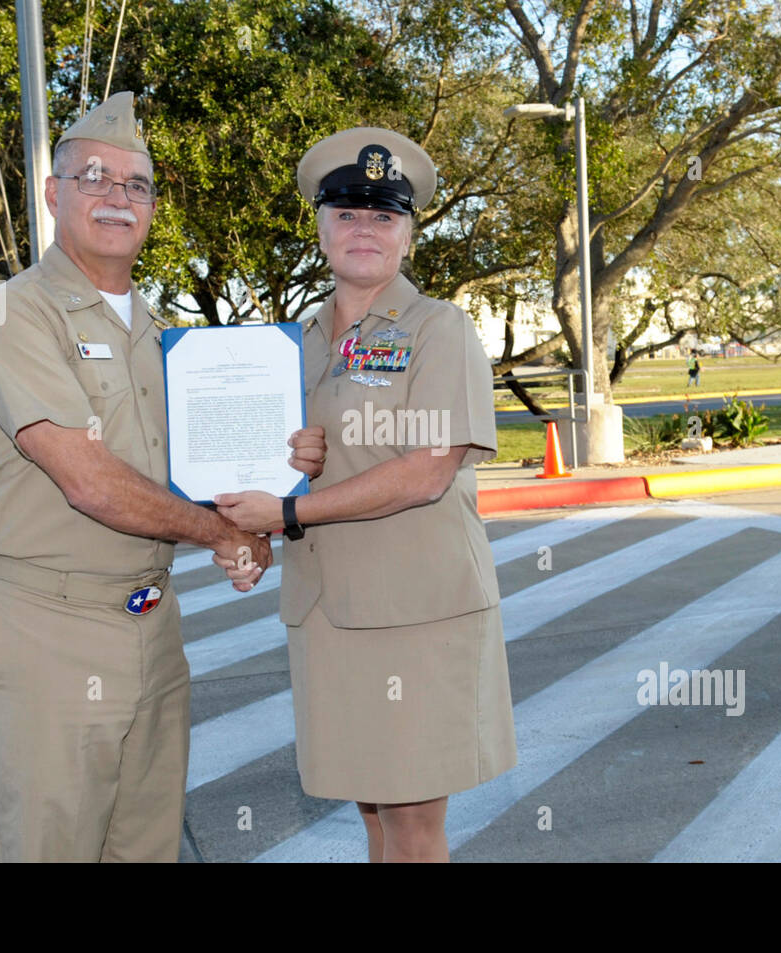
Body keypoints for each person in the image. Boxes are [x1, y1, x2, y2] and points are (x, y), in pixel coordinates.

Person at [0, 91, 323, 862]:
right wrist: (225, 532)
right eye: (95, 177)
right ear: (54, 194)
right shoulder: (12, 316)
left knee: (146, 848)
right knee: (49, 848)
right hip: (46, 627)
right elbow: (90, 480)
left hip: (154, 620)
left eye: (137, 185)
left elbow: (187, 473)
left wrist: (283, 477)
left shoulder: (166, 338)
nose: (118, 198)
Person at [215, 127, 517, 863]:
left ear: (409, 234)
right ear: (319, 226)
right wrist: (249, 529)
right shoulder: (297, 346)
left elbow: (427, 471)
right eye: (347, 212)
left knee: (413, 824)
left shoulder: (438, 329)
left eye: (384, 215)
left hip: (415, 611)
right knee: (375, 818)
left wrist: (287, 512)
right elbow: (279, 467)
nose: (364, 229)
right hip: (328, 612)